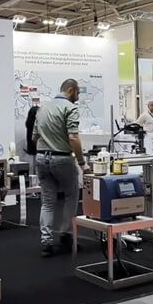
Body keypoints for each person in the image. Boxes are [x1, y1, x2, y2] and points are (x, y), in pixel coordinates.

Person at [33, 79, 86, 257]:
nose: (78, 97)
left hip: (41, 158)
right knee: (72, 196)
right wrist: (82, 163)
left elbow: (34, 137)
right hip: (62, 158)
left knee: (47, 202)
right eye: (77, 93)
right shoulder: (70, 108)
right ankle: (66, 236)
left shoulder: (42, 108)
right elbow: (73, 138)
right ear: (71, 90)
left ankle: (46, 242)